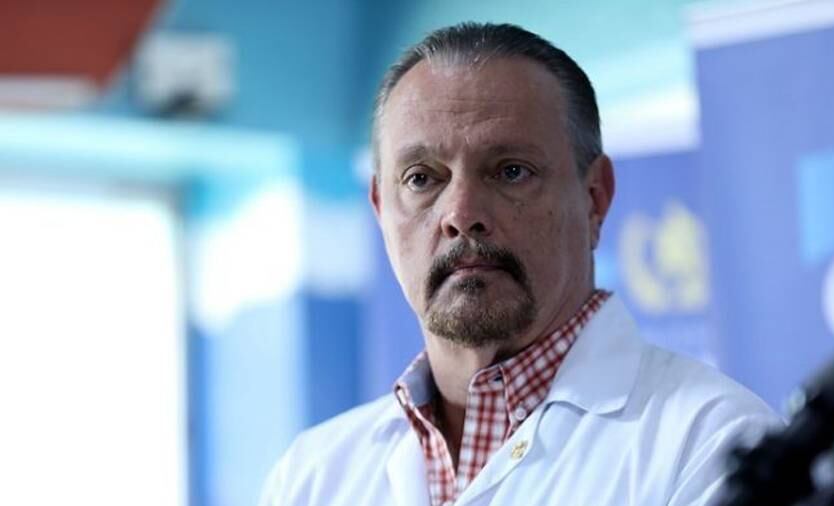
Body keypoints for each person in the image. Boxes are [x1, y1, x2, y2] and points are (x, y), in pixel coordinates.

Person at [259, 22, 780, 506]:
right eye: (421, 178)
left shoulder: (716, 447)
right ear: (380, 210)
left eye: (511, 171)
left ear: (595, 198)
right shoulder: (312, 477)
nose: (460, 214)